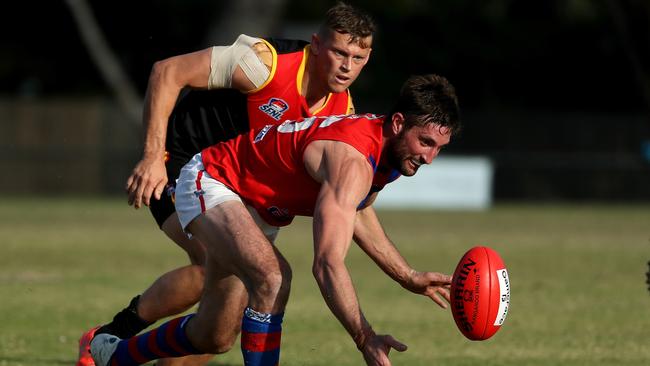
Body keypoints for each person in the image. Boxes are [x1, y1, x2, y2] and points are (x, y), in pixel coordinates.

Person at [90, 74, 461, 366]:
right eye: (425, 143)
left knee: (213, 336)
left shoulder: (389, 156)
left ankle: (114, 355)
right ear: (398, 123)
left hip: (248, 207)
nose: (429, 158)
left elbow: (358, 212)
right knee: (273, 277)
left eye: (438, 149)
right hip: (213, 179)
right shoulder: (353, 160)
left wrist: (407, 276)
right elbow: (327, 264)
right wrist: (364, 337)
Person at [76, 3, 375, 366]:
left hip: (236, 186)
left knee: (222, 327)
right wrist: (153, 156)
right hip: (184, 160)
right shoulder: (265, 63)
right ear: (316, 45)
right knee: (215, 263)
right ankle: (110, 337)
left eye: (358, 57)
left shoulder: (341, 113)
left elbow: (351, 203)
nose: (347, 66)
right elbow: (167, 72)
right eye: (340, 52)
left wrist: (405, 274)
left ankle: (118, 349)